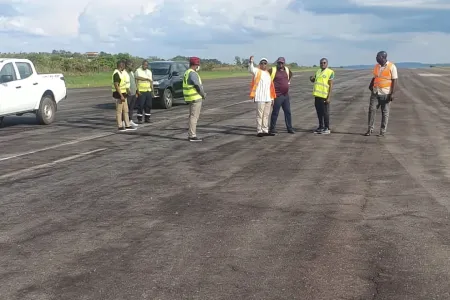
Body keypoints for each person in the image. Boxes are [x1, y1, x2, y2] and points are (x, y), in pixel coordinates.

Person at [364, 51, 398, 137]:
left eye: (378, 56)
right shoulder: (376, 66)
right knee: (371, 110)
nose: (376, 58)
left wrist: (392, 93)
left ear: (383, 57)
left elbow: (394, 80)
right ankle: (370, 129)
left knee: (385, 113)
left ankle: (382, 131)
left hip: (386, 93)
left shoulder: (391, 66)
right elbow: (375, 77)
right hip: (375, 92)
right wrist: (370, 85)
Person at [248, 56, 276, 137]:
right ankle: (259, 130)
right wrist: (251, 62)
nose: (263, 64)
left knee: (266, 115)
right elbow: (250, 69)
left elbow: (270, 87)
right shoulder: (257, 71)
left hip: (268, 98)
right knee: (260, 115)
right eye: (262, 63)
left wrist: (272, 98)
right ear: (259, 64)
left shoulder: (268, 73)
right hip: (260, 98)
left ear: (266, 64)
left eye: (265, 63)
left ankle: (265, 130)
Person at [268, 57, 294, 134]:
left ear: (284, 63)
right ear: (277, 63)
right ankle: (272, 129)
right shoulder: (272, 70)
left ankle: (290, 128)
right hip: (277, 95)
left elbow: (291, 74)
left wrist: (287, 82)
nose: (280, 64)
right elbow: (266, 77)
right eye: (279, 63)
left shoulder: (287, 69)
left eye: (282, 63)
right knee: (275, 112)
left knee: (288, 112)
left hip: (285, 95)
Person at [183, 57, 206, 142]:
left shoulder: (187, 72)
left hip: (190, 97)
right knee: (194, 117)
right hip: (195, 97)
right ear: (195, 65)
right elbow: (197, 85)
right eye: (197, 64)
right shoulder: (193, 73)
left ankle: (191, 134)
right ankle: (192, 135)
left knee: (192, 116)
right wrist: (203, 94)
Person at [309, 58, 334, 134]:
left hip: (324, 96)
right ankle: (321, 126)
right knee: (319, 112)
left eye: (324, 63)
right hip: (317, 95)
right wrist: (312, 79)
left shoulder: (330, 72)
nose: (322, 64)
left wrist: (329, 97)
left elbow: (330, 85)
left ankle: (327, 128)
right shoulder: (318, 71)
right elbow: (315, 80)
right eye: (321, 63)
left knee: (325, 112)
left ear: (327, 64)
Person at [112, 60, 136, 131]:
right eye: (124, 66)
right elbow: (116, 85)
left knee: (126, 110)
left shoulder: (121, 73)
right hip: (119, 95)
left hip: (124, 94)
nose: (124, 67)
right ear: (121, 66)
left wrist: (127, 91)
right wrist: (121, 96)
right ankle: (120, 126)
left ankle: (127, 125)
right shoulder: (116, 74)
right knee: (119, 111)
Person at [125, 60, 138, 128]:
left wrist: (136, 91)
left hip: (133, 93)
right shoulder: (125, 73)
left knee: (131, 108)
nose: (132, 66)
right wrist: (128, 91)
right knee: (126, 108)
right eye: (131, 65)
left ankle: (130, 120)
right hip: (128, 93)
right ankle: (124, 121)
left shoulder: (132, 73)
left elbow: (134, 82)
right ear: (127, 65)